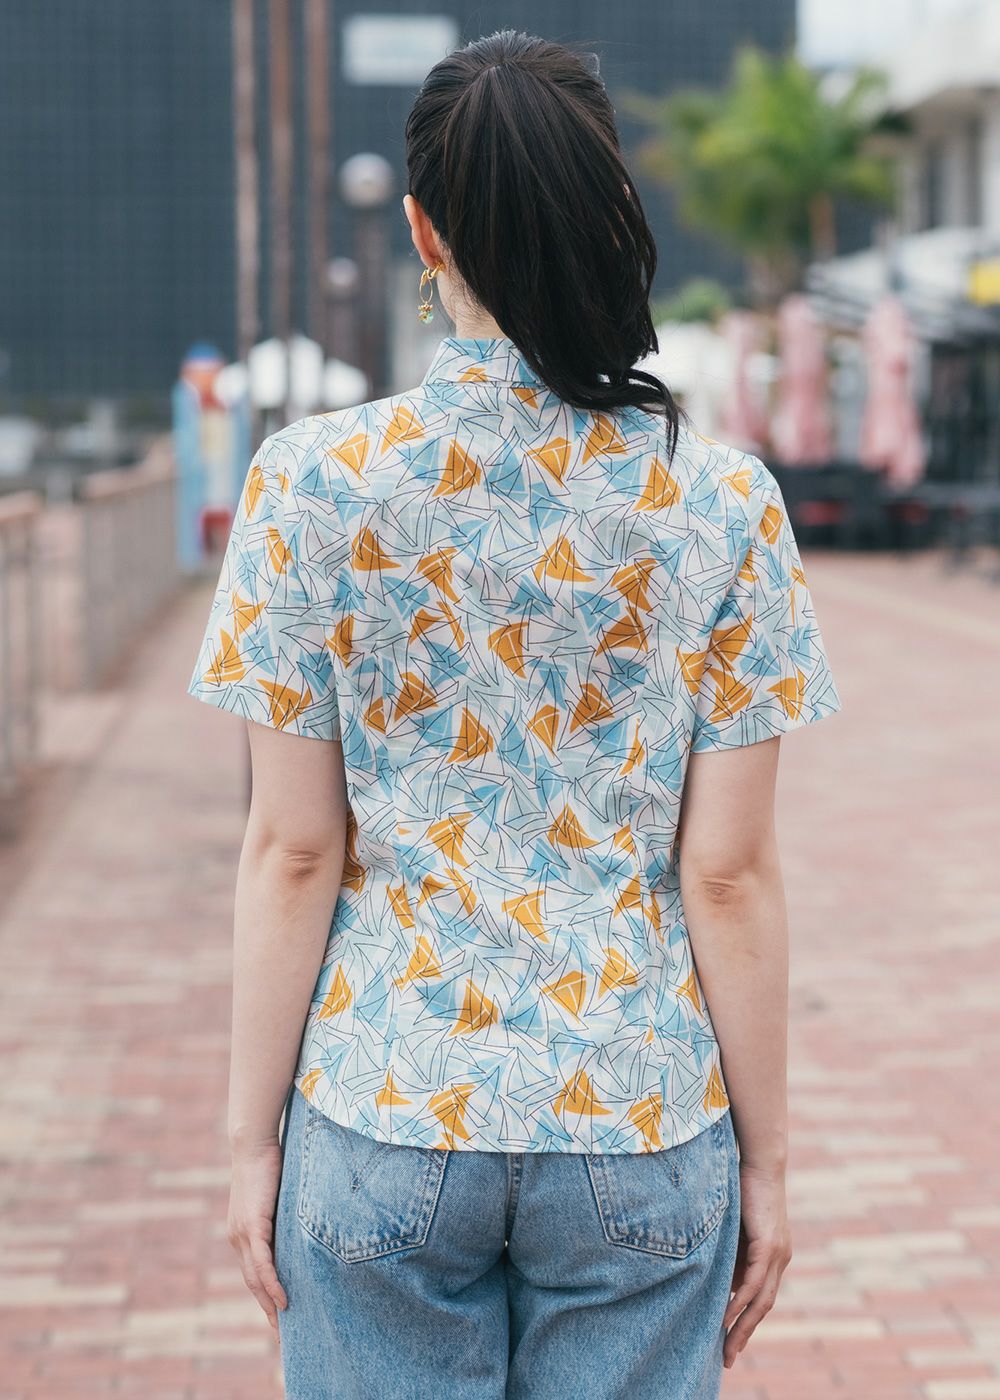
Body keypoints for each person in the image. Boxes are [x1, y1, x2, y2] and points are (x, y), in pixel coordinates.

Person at [187, 28, 841, 1400]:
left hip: (384, 1101)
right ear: (615, 207)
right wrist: (770, 1164)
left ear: (423, 230)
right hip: (638, 1111)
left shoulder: (310, 482)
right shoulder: (721, 502)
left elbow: (294, 850)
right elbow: (727, 872)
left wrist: (252, 1144)